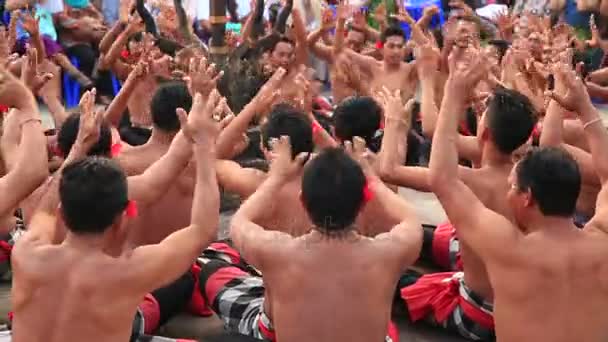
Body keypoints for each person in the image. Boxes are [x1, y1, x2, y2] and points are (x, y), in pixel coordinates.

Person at [428, 43, 608, 341]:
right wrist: (585, 107)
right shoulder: (603, 238)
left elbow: (442, 180)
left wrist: (452, 94)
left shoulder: (510, 249)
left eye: (512, 185)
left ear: (527, 198)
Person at [10, 89, 221, 342]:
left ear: (62, 214)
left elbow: (44, 210)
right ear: (122, 220)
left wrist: (79, 146)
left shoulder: (26, 253)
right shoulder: (129, 271)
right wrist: (205, 150)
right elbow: (202, 230)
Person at [378, 43, 536, 339]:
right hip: (518, 309)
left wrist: (394, 123)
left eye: (482, 114)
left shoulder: (463, 180)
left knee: (380, 272)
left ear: (485, 133)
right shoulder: (533, 179)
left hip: (480, 315)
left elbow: (387, 170)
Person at [199, 139, 422, 342]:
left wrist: (277, 178)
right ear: (364, 202)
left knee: (211, 272)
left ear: (303, 202)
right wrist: (371, 176)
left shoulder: (277, 252)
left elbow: (240, 221)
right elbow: (409, 218)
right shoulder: (389, 253)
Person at [335, 23, 418, 103]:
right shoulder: (372, 66)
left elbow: (429, 56)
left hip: (402, 116)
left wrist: (415, 22)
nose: (396, 51)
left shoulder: (410, 70)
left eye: (400, 47)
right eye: (391, 46)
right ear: (381, 49)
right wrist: (341, 21)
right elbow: (340, 50)